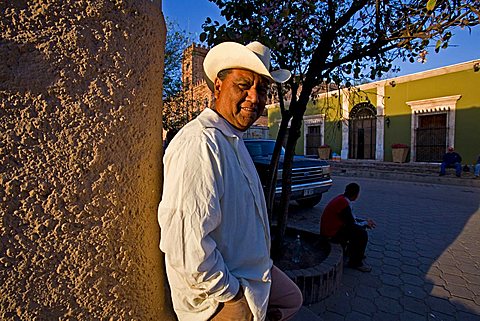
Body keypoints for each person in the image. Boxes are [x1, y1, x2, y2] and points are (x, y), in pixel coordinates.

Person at [158, 41, 302, 321]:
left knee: (292, 299)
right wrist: (232, 298)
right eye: (243, 85)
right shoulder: (201, 143)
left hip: (251, 274)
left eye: (261, 89)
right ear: (218, 88)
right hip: (221, 297)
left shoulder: (232, 139)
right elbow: (186, 246)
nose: (254, 98)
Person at [320, 183, 376, 272]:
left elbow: (351, 218)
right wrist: (365, 223)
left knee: (359, 229)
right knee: (361, 234)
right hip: (331, 233)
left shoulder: (343, 199)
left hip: (335, 229)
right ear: (356, 195)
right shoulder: (342, 203)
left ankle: (355, 254)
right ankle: (355, 262)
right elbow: (351, 223)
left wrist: (364, 222)